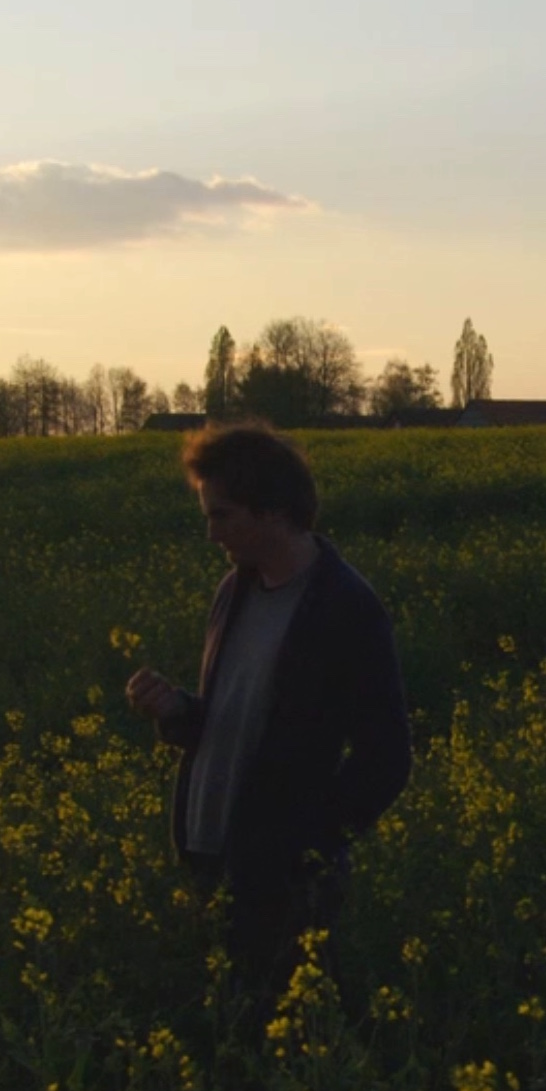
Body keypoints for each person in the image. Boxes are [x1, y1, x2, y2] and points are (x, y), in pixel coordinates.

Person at [123, 424, 411, 998]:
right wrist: (177, 710)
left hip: (281, 877)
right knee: (228, 1025)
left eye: (222, 516)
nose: (210, 534)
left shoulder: (344, 608)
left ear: (275, 511)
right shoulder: (235, 591)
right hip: (211, 853)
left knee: (283, 1034)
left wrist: (305, 847)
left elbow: (387, 759)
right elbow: (238, 722)